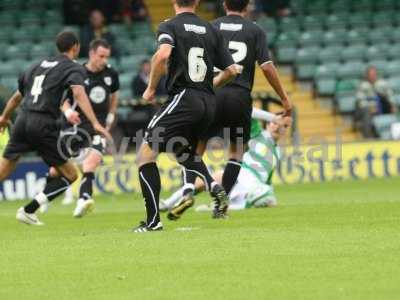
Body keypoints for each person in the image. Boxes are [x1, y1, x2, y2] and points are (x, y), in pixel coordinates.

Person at [171, 0, 292, 220]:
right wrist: (283, 98)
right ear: (247, 6)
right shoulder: (255, 30)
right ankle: (221, 205)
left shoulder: (211, 27)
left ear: (224, 4)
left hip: (212, 93)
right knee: (236, 152)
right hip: (239, 98)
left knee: (197, 148)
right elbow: (267, 67)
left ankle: (188, 189)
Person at [132, 0, 239, 232]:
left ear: (173, 2)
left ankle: (153, 223)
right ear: (197, 2)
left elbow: (162, 56)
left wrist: (150, 88)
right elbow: (231, 71)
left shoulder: (169, 26)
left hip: (184, 99)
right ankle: (212, 184)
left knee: (144, 156)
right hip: (208, 102)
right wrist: (211, 85)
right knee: (183, 153)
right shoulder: (211, 29)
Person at [0, 31, 110, 225]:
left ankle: (29, 211)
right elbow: (78, 93)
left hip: (22, 120)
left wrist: (4, 117)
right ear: (75, 47)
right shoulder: (72, 68)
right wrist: (95, 123)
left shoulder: (36, 66)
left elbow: (17, 97)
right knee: (71, 174)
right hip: (42, 124)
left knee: (3, 170)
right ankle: (29, 210)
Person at [43, 39, 119, 218]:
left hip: (96, 127)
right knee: (56, 170)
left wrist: (110, 116)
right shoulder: (78, 72)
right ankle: (44, 197)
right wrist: (68, 111)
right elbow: (63, 99)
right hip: (75, 126)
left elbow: (114, 96)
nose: (104, 60)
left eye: (107, 57)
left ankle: (83, 198)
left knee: (91, 161)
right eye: (101, 56)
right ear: (92, 54)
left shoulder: (111, 74)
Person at [161, 115, 287, 215]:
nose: (278, 127)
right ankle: (169, 203)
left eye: (284, 126)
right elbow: (249, 110)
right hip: (242, 174)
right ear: (269, 124)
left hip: (255, 185)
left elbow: (268, 177)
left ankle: (222, 207)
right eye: (275, 123)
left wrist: (269, 190)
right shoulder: (258, 134)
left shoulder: (278, 152)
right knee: (207, 181)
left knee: (267, 201)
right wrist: (270, 116)